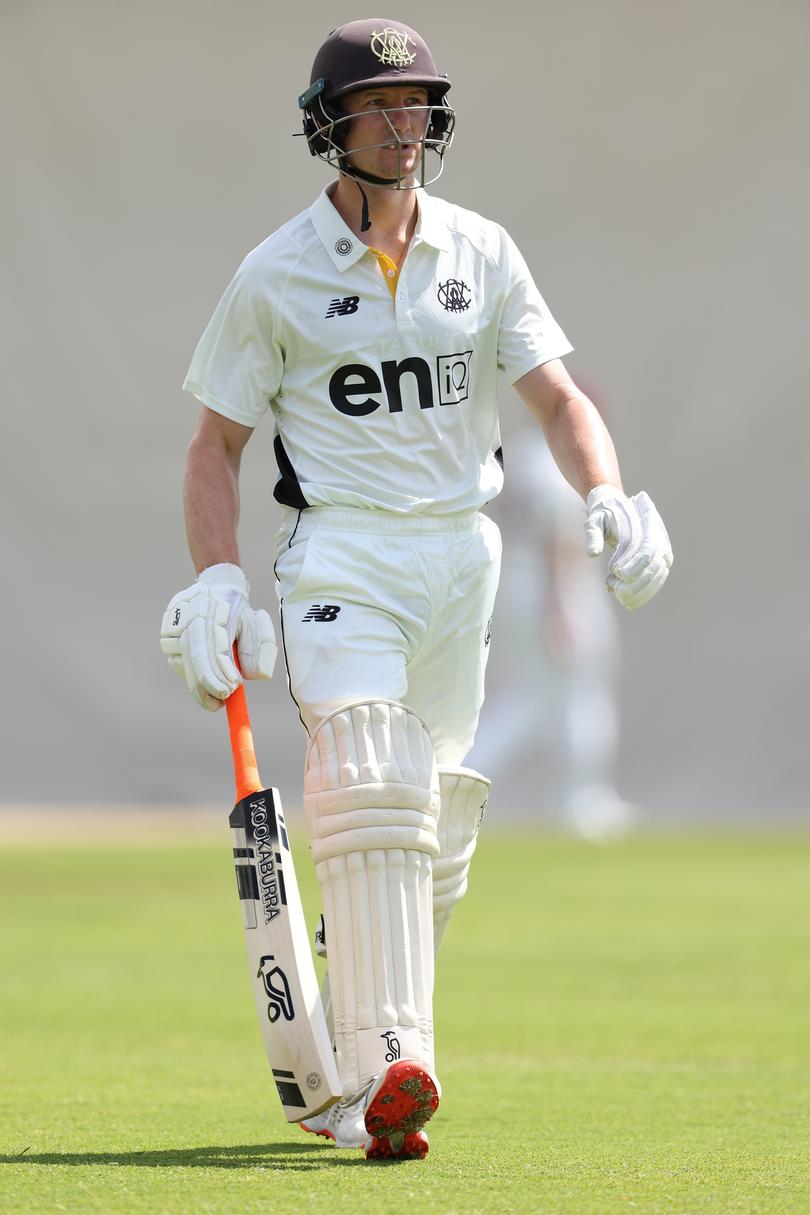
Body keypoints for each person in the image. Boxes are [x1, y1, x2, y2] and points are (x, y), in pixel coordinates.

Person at [160, 17, 673, 1162]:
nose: (404, 124)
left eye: (418, 104)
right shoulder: (275, 274)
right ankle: (391, 1067)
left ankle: (360, 1063)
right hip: (341, 555)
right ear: (327, 125)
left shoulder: (482, 251)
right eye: (379, 107)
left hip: (460, 555)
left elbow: (556, 399)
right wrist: (219, 581)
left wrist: (610, 496)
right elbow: (214, 445)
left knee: (424, 824)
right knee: (375, 774)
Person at [469, 420, 633, 842]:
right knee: (575, 694)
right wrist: (561, 610)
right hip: (557, 591)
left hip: (516, 585)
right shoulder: (553, 466)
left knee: (534, 696)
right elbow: (557, 539)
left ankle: (466, 779)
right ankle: (582, 800)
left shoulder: (522, 458)